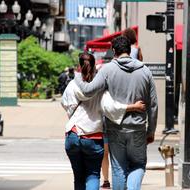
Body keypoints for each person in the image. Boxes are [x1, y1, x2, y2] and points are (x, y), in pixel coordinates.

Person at [75, 36, 158, 190]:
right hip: (138, 128)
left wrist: (77, 76)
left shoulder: (107, 69)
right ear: (129, 50)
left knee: (118, 168)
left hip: (115, 128)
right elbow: (153, 104)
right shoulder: (145, 71)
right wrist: (151, 130)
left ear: (114, 51)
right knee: (138, 164)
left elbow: (87, 90)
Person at [62, 52, 146, 190]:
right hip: (93, 137)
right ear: (95, 66)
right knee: (93, 175)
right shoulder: (100, 87)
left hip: (73, 134)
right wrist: (133, 107)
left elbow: (65, 103)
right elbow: (111, 107)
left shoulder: (72, 85)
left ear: (79, 66)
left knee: (78, 176)